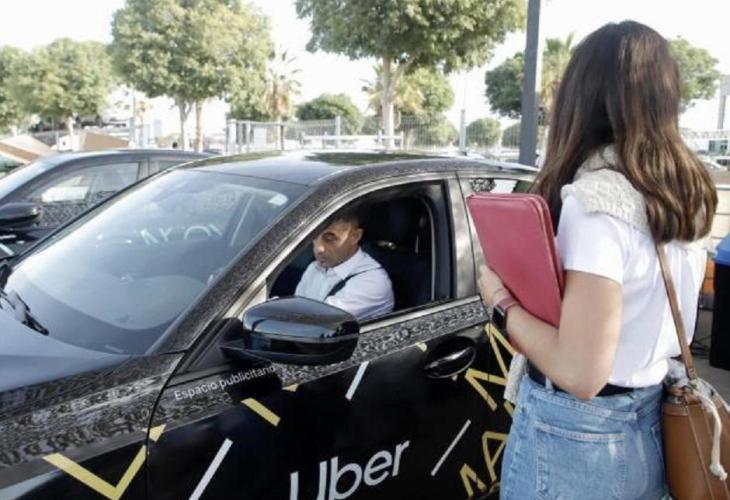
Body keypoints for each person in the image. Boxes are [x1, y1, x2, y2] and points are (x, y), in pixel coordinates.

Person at [478, 21, 717, 499]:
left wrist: (501, 303)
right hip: (649, 416)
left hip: (577, 440)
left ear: (581, 99)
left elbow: (581, 373)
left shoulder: (597, 202)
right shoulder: (683, 196)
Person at [295, 210, 394, 321]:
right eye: (314, 237)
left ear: (355, 236)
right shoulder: (314, 267)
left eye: (330, 239)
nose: (318, 248)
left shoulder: (371, 282)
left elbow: (315, 321)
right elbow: (296, 308)